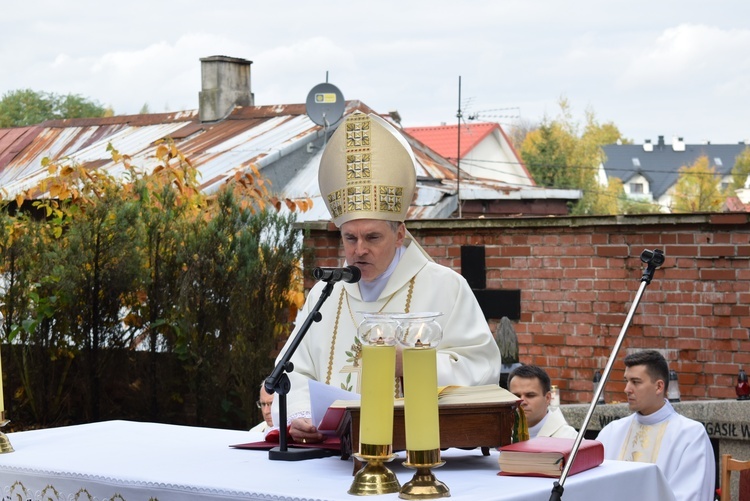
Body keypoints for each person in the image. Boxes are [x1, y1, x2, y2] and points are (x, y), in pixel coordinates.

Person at [271, 111, 501, 443]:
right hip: (330, 451)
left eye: (372, 238)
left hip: (415, 449)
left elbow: (482, 367)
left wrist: (411, 363)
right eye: (350, 238)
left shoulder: (444, 287)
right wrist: (301, 415)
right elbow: (295, 368)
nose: (359, 250)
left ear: (399, 234)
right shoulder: (326, 293)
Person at [597, 350, 715, 501]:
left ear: (659, 386)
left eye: (636, 382)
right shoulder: (612, 432)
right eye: (626, 380)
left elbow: (691, 495)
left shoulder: (691, 435)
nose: (627, 389)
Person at [507, 364, 578, 440]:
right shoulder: (501, 436)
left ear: (547, 398)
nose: (522, 402)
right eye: (516, 396)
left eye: (530, 395)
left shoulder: (570, 439)